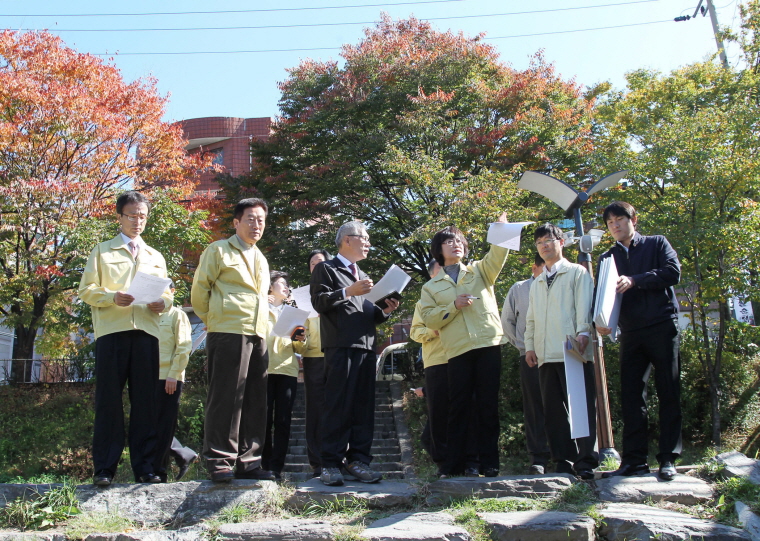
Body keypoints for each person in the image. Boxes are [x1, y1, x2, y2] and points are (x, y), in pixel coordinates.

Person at [79, 190, 173, 486]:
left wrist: (164, 303)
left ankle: (145, 467)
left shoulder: (155, 255)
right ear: (119, 217)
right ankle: (104, 468)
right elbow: (86, 290)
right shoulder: (102, 251)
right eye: (131, 215)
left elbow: (168, 293)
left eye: (142, 216)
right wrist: (112, 297)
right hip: (112, 333)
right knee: (108, 401)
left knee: (146, 402)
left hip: (147, 333)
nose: (137, 221)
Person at [419, 212, 510, 478]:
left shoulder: (480, 270)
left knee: (487, 406)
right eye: (449, 242)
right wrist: (454, 306)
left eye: (459, 241)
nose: (456, 244)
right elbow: (430, 318)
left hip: (487, 343)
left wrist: (501, 230)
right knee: (457, 408)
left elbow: (499, 253)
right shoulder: (431, 287)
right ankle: (453, 465)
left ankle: (489, 463)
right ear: (439, 250)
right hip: (456, 350)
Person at [191, 198, 275, 482]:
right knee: (225, 396)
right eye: (250, 219)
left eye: (261, 220)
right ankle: (220, 459)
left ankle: (249, 461)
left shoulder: (260, 257)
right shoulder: (218, 250)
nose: (256, 225)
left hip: (258, 331)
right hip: (227, 330)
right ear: (236, 222)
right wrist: (214, 320)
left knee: (254, 398)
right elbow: (200, 291)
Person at [310, 221, 400, 486]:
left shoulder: (362, 273)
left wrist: (385, 310)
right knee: (337, 405)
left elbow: (368, 313)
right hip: (339, 345)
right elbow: (319, 302)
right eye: (364, 238)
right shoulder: (326, 268)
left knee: (363, 407)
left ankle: (359, 460)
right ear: (346, 240)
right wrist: (349, 290)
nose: (368, 243)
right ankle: (330, 464)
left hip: (366, 346)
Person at [597, 201, 682, 481]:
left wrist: (636, 280)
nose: (616, 226)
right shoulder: (607, 258)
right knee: (632, 396)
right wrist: (604, 323)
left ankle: (668, 458)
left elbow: (673, 273)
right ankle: (634, 461)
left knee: (668, 389)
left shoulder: (657, 244)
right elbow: (602, 298)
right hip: (630, 333)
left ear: (634, 219)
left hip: (661, 325)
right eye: (610, 223)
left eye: (620, 219)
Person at [524, 223, 598, 479]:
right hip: (545, 354)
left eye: (549, 240)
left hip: (572, 348)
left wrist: (583, 332)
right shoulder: (537, 282)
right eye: (540, 242)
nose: (545, 245)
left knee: (581, 407)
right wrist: (530, 346)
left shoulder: (577, 272)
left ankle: (586, 460)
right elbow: (530, 320)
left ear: (561, 242)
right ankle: (562, 461)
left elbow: (584, 306)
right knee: (553, 412)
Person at [411, 260, 480, 477]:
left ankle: (471, 462)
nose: (446, 278)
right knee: (439, 415)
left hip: (462, 356)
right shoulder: (423, 303)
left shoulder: (465, 297)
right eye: (440, 274)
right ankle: (445, 464)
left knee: (467, 412)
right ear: (432, 278)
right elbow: (415, 332)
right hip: (437, 362)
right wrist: (434, 332)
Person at [501, 253, 550, 475]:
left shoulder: (560, 284)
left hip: (558, 354)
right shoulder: (519, 289)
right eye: (545, 267)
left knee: (560, 405)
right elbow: (507, 322)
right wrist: (521, 345)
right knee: (534, 407)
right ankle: (538, 457)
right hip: (529, 355)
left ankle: (565, 454)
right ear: (534, 268)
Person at [262, 271, 306, 480]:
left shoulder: (293, 312)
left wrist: (300, 337)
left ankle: (276, 467)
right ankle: (262, 463)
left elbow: (299, 347)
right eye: (281, 284)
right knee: (263, 418)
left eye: (287, 285)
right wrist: (261, 301)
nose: (286, 287)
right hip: (264, 368)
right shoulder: (260, 307)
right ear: (270, 287)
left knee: (283, 420)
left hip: (287, 369)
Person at [155, 281, 198, 482]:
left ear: (172, 291)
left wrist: (173, 374)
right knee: (150, 424)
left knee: (164, 424)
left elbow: (183, 347)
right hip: (148, 377)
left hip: (169, 378)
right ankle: (182, 455)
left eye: (164, 289)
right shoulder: (149, 315)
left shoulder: (177, 315)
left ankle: (160, 471)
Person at [301, 249, 331, 479]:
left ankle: (339, 459)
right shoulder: (301, 296)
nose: (316, 266)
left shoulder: (340, 291)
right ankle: (317, 463)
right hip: (313, 359)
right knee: (315, 412)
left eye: (320, 262)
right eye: (312, 263)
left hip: (337, 356)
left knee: (338, 408)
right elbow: (294, 333)